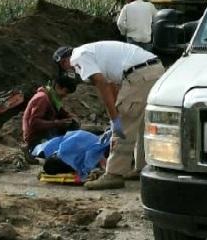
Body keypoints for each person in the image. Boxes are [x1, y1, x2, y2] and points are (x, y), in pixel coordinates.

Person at [53, 41, 165, 189]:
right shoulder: (92, 53)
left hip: (139, 73)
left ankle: (113, 174)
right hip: (153, 69)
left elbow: (102, 84)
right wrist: (115, 110)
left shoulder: (78, 57)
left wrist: (115, 117)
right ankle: (141, 168)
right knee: (140, 123)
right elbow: (111, 85)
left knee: (125, 123)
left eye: (64, 66)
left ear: (64, 60)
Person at [22, 76, 79, 154]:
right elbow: (34, 123)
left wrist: (68, 116)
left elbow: (58, 111)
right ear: (58, 86)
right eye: (66, 91)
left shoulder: (52, 97)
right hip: (35, 137)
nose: (65, 95)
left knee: (72, 125)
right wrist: (58, 123)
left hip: (46, 132)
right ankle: (31, 149)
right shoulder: (42, 98)